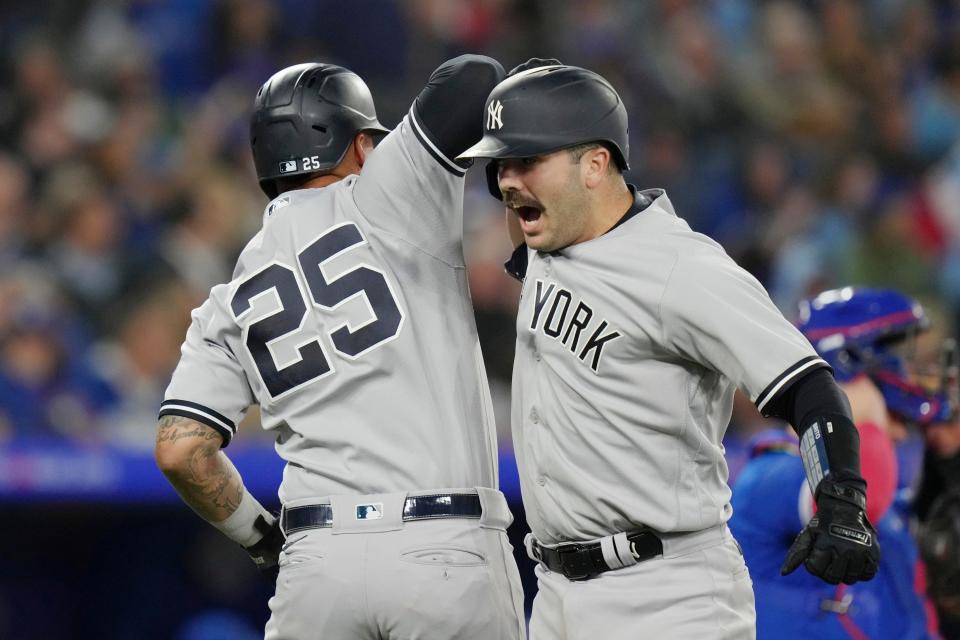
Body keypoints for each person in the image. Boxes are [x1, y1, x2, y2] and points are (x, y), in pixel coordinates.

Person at [458, 60, 879, 639]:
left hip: (667, 593)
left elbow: (806, 384)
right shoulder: (545, 242)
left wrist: (843, 501)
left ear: (595, 165)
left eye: (527, 160)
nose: (507, 181)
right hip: (555, 595)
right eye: (501, 165)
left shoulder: (682, 268)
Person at [154, 57, 527, 639]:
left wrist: (261, 537)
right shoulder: (392, 192)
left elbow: (181, 451)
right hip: (441, 546)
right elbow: (474, 75)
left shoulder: (228, 298)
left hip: (315, 565)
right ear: (357, 147)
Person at [732, 287, 941, 639]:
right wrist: (867, 420)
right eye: (896, 358)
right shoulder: (768, 476)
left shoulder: (891, 494)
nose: (909, 374)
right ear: (854, 369)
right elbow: (851, 506)